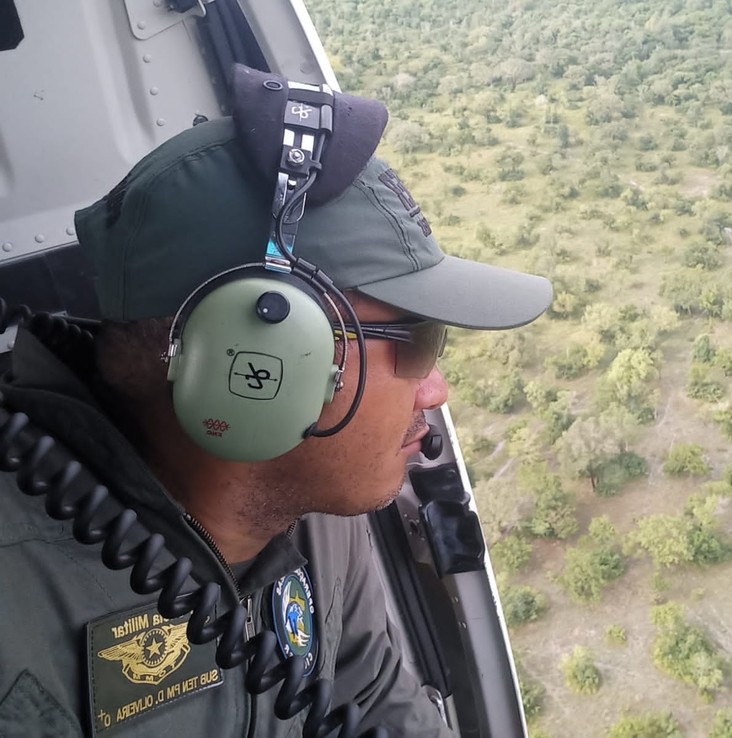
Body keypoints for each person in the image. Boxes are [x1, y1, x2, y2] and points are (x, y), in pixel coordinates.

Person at [0, 67, 551, 737]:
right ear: (254, 355)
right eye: (417, 341)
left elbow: (375, 700)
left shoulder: (318, 511)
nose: (437, 390)